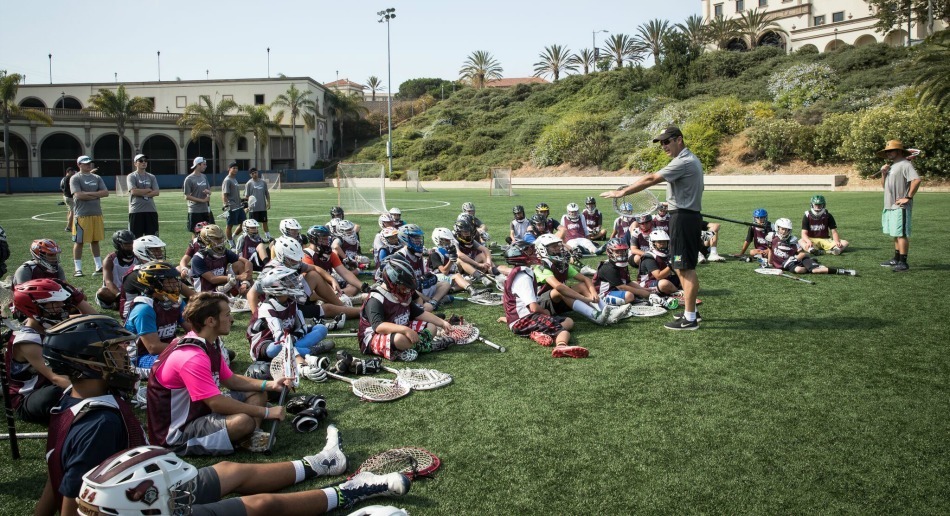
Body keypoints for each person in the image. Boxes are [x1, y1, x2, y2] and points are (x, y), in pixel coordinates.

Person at [75, 440, 410, 515]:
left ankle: (318, 464)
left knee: (228, 470)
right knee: (261, 506)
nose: (186, 495)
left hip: (142, 496)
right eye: (178, 495)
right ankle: (349, 491)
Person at [147, 292, 294, 455]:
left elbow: (230, 379)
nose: (232, 319)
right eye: (227, 315)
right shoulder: (192, 357)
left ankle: (251, 435)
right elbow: (216, 403)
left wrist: (271, 384)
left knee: (257, 392)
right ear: (210, 321)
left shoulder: (207, 341)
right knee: (243, 421)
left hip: (200, 411)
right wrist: (266, 413)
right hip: (178, 432)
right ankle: (246, 431)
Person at [37, 315, 145, 516]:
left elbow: (57, 474)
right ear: (93, 363)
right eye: (115, 349)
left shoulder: (70, 399)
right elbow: (75, 499)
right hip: (141, 503)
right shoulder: (102, 424)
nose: (124, 355)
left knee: (225, 469)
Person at [601, 125, 703, 330]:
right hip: (683, 215)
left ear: (679, 140)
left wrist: (623, 193)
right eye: (661, 143)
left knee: (686, 269)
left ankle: (690, 318)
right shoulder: (687, 160)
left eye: (667, 141)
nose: (663, 146)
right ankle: (690, 312)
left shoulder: (683, 161)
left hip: (683, 218)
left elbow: (651, 179)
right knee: (681, 268)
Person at [7, 279, 88, 425]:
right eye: (54, 303)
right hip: (32, 396)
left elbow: (95, 322)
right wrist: (95, 393)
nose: (61, 306)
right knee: (53, 394)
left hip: (57, 383)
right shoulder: (27, 340)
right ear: (34, 307)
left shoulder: (48, 322)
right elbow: (56, 378)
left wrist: (78, 299)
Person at [358, 258, 455, 361]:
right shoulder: (376, 299)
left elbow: (420, 313)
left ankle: (414, 346)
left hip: (400, 328)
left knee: (432, 327)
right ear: (392, 284)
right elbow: (378, 326)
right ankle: (427, 346)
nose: (407, 291)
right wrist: (405, 330)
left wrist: (442, 323)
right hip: (374, 337)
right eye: (404, 288)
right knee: (400, 339)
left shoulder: (404, 293)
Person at [500, 242, 586, 358]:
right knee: (563, 331)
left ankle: (537, 333)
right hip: (524, 319)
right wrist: (545, 312)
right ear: (520, 256)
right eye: (530, 251)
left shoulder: (520, 272)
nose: (534, 253)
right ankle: (561, 346)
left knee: (569, 322)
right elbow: (534, 307)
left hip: (519, 320)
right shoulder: (523, 277)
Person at [246, 267, 331, 378]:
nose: (293, 283)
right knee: (275, 349)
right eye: (287, 281)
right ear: (275, 287)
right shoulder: (267, 307)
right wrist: (295, 348)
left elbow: (302, 328)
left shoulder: (291, 301)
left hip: (289, 339)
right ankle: (309, 351)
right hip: (267, 344)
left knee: (321, 328)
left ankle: (300, 350)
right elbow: (279, 338)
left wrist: (293, 338)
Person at [532, 234, 622, 326]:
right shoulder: (541, 266)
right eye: (554, 247)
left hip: (558, 301)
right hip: (542, 304)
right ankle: (595, 315)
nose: (558, 249)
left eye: (558, 246)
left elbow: (585, 279)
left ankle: (605, 309)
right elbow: (558, 287)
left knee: (581, 286)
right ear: (542, 249)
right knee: (561, 290)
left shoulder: (562, 264)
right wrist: (584, 298)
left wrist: (594, 294)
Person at [124, 261, 188, 379]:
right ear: (154, 285)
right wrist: (186, 345)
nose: (175, 284)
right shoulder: (144, 309)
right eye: (169, 281)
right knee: (184, 363)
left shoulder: (176, 302)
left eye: (175, 279)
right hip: (139, 358)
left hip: (167, 350)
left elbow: (191, 329)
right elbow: (153, 347)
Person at [878, 140, 921, 272]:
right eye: (887, 151)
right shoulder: (892, 166)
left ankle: (903, 262)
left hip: (900, 207)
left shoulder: (905, 164)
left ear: (899, 151)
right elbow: (883, 186)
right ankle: (896, 259)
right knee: (895, 233)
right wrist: (883, 174)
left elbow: (917, 180)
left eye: (891, 150)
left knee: (901, 234)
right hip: (890, 205)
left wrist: (907, 197)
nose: (889, 153)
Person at [765, 218, 857, 277]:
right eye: (783, 229)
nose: (785, 232)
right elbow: (770, 250)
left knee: (815, 271)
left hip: (796, 260)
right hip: (786, 264)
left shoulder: (792, 239)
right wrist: (769, 263)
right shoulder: (771, 237)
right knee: (801, 270)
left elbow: (802, 253)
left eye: (787, 230)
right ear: (777, 228)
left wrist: (793, 258)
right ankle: (813, 264)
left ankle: (842, 271)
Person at [396, 224, 452, 311]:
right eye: (415, 238)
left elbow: (422, 275)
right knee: (419, 303)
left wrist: (427, 278)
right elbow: (405, 287)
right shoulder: (401, 256)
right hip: (408, 291)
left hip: (419, 289)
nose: (419, 240)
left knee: (445, 283)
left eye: (419, 237)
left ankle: (434, 301)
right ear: (405, 238)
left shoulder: (418, 254)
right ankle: (432, 301)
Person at [69, 155, 109, 277]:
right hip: (82, 215)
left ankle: (98, 266)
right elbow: (78, 195)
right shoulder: (75, 178)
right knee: (79, 242)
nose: (88, 165)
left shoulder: (97, 177)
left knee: (95, 240)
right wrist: (97, 194)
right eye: (85, 163)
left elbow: (105, 193)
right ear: (79, 165)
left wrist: (89, 194)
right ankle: (78, 269)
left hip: (96, 214)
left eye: (89, 163)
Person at [303, 225, 368, 298]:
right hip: (316, 287)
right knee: (313, 294)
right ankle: (339, 297)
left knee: (354, 287)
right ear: (313, 239)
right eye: (323, 239)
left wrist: (363, 286)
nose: (327, 241)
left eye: (327, 238)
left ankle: (337, 296)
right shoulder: (307, 255)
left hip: (330, 284)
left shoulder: (330, 254)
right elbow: (310, 279)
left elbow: (345, 272)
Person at [593, 238, 659, 308]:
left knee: (636, 284)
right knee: (629, 295)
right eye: (617, 251)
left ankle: (633, 299)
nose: (621, 253)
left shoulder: (622, 264)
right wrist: (641, 292)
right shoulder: (607, 267)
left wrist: (643, 289)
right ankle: (633, 300)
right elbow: (621, 287)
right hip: (603, 294)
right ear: (609, 252)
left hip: (615, 289)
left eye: (623, 251)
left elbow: (628, 282)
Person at [191, 224, 252, 294]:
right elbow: (212, 279)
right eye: (216, 239)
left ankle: (250, 294)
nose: (220, 241)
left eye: (221, 238)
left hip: (222, 286)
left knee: (239, 264)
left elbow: (247, 262)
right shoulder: (198, 258)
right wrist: (239, 277)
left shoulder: (225, 252)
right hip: (206, 293)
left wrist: (245, 281)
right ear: (206, 240)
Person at [95, 230, 139, 310]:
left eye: (131, 243)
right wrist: (119, 295)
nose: (130, 246)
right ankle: (117, 303)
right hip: (114, 292)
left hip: (129, 290)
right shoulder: (109, 260)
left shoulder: (137, 257)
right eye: (126, 244)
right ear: (118, 245)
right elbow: (108, 282)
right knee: (102, 292)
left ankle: (119, 304)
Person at [126, 154, 160, 237]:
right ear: (135, 163)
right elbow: (133, 191)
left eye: (145, 161)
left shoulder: (151, 177)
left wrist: (141, 192)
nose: (144, 162)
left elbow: (156, 192)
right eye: (141, 161)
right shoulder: (131, 176)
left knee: (152, 237)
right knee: (136, 238)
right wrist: (148, 190)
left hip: (151, 210)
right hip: (136, 210)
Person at [183, 157, 215, 233]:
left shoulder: (204, 176)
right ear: (198, 165)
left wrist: (208, 192)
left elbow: (209, 191)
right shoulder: (189, 179)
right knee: (196, 232)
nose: (205, 166)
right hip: (195, 211)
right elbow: (186, 196)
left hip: (206, 209)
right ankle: (195, 245)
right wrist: (202, 200)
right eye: (204, 164)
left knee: (209, 232)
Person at [222, 162, 246, 246]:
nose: (235, 170)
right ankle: (231, 243)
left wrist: (242, 200)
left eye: (236, 168)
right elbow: (224, 195)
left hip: (238, 206)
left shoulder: (234, 179)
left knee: (244, 224)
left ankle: (232, 237)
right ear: (229, 169)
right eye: (233, 168)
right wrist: (226, 205)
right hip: (232, 207)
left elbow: (235, 194)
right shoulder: (227, 180)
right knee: (229, 226)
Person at [244, 167, 272, 240]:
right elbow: (247, 197)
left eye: (255, 172)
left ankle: (268, 237)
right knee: (253, 224)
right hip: (253, 209)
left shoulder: (263, 182)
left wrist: (268, 202)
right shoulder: (249, 183)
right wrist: (247, 207)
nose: (254, 174)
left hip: (262, 207)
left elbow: (267, 193)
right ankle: (254, 237)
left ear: (257, 172)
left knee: (265, 222)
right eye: (252, 173)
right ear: (250, 175)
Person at [60, 166, 76, 233]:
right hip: (69, 197)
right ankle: (69, 226)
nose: (73, 173)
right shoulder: (68, 178)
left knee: (70, 211)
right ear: (69, 171)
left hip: (65, 196)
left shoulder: (63, 179)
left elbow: (62, 187)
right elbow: (69, 189)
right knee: (73, 212)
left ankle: (70, 225)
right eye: (72, 171)